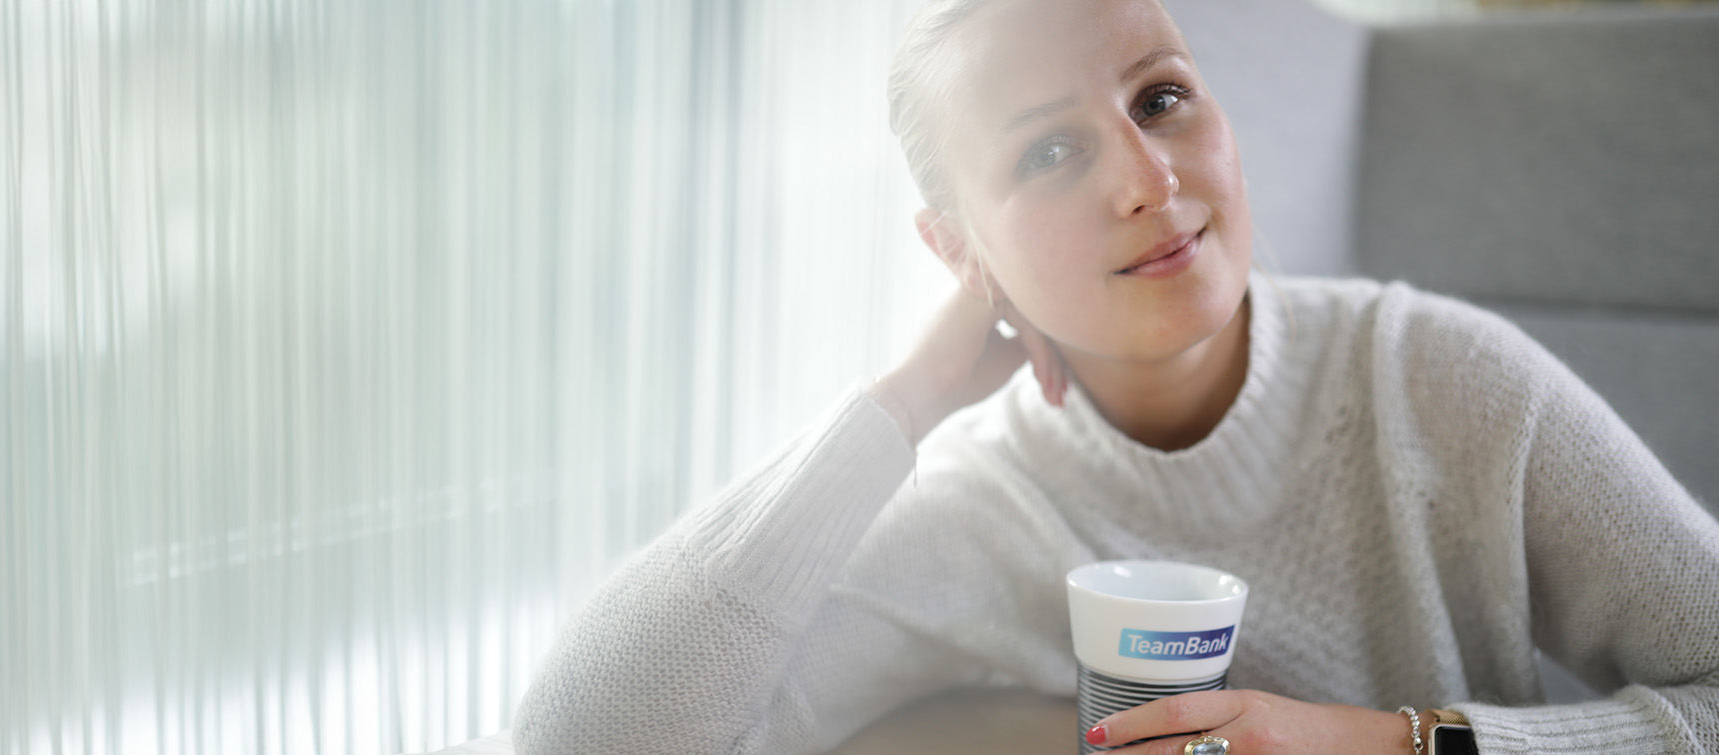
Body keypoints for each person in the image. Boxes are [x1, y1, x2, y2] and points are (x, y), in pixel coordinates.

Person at [511, 0, 1719, 752]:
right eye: (1048, 150)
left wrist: (1396, 744)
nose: (1146, 176)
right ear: (956, 249)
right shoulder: (982, 508)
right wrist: (903, 400)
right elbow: (582, 738)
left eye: (1162, 97)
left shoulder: (1445, 381)